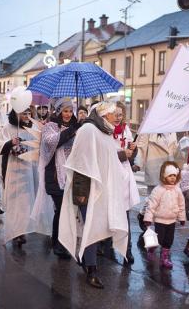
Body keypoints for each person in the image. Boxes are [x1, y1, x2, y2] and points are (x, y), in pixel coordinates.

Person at [58, 101, 129, 288]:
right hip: (88, 190)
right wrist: (81, 193)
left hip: (103, 190)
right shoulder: (89, 130)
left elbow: (109, 159)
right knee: (91, 226)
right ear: (105, 114)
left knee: (96, 226)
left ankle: (86, 260)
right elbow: (80, 164)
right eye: (115, 113)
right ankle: (91, 270)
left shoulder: (105, 132)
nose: (118, 117)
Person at [37, 98, 78, 259]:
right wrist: (72, 130)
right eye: (65, 111)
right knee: (61, 209)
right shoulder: (50, 127)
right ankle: (58, 244)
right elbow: (52, 142)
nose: (68, 114)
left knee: (67, 211)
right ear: (59, 112)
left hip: (71, 175)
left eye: (70, 111)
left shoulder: (75, 127)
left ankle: (63, 241)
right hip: (55, 175)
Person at [0, 108, 39, 247]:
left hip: (29, 169)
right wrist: (11, 143)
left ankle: (23, 229)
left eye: (28, 114)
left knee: (26, 201)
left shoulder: (32, 128)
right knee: (15, 200)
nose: (27, 116)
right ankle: (16, 231)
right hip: (14, 169)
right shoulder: (8, 128)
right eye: (23, 114)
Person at [143, 161, 186, 269]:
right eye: (170, 176)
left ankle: (164, 258)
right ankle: (151, 249)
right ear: (164, 176)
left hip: (171, 220)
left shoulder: (177, 190)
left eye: (174, 176)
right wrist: (148, 218)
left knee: (168, 240)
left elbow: (181, 205)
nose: (172, 178)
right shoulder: (158, 190)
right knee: (159, 239)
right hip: (160, 220)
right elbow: (151, 205)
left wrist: (181, 218)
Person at [113, 101, 139, 264]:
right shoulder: (104, 131)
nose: (118, 117)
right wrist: (124, 155)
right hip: (111, 175)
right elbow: (105, 154)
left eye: (120, 114)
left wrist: (133, 149)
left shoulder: (126, 130)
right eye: (115, 114)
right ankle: (106, 243)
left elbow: (130, 153)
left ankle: (127, 249)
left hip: (124, 176)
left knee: (125, 213)